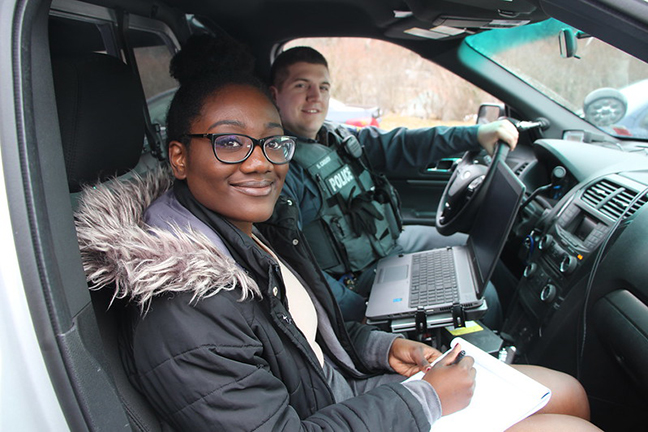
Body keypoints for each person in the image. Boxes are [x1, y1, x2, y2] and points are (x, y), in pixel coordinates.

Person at [74, 34, 597, 431]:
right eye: (230, 143)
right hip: (342, 412)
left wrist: (381, 350)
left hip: (349, 394)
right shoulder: (185, 304)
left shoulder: (251, 227)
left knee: (567, 392)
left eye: (272, 143)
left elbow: (305, 336)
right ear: (179, 157)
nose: (260, 165)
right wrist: (425, 400)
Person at [268, 46, 519, 322]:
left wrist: (476, 134)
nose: (315, 96)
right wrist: (361, 314)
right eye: (301, 85)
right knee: (483, 296)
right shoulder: (280, 169)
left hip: (388, 246)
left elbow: (405, 143)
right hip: (357, 283)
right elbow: (295, 266)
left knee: (478, 254)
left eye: (324, 87)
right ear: (274, 95)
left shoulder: (337, 136)